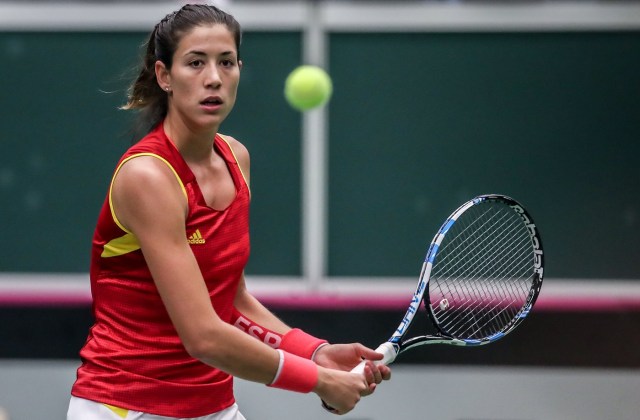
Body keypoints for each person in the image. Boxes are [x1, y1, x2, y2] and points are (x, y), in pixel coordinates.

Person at [67, 4, 391, 420]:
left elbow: (231, 302)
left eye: (226, 62)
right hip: (129, 406)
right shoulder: (148, 176)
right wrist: (318, 381)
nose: (214, 78)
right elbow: (203, 336)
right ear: (165, 76)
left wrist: (315, 352)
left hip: (214, 407)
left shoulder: (236, 158)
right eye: (195, 63)